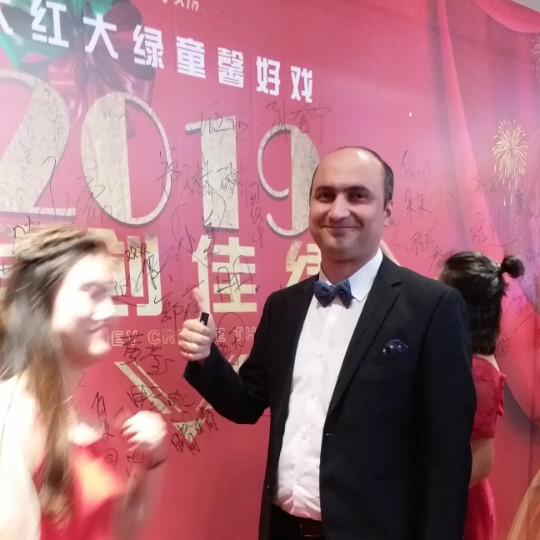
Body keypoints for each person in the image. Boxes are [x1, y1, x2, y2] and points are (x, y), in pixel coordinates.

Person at [179, 146, 476, 540]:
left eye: (357, 195)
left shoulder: (432, 307)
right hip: (284, 529)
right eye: (325, 195)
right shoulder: (283, 306)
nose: (337, 211)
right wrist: (206, 357)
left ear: (387, 210)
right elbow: (246, 403)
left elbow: (448, 459)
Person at [0, 225, 167, 540]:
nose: (109, 310)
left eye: (109, 294)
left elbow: (117, 528)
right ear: (41, 302)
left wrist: (153, 462)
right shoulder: (13, 415)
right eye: (92, 293)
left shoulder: (67, 409)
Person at [439, 251, 525, 540]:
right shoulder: (465, 355)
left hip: (459, 509)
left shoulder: (479, 373)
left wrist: (433, 498)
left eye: (439, 289)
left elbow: (482, 460)